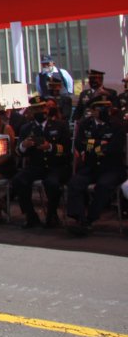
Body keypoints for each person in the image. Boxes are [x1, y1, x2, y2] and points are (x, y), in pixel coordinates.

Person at [66, 98, 126, 235]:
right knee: (75, 183)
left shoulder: (117, 125)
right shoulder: (85, 124)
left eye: (107, 107)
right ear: (93, 111)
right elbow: (80, 144)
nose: (104, 110)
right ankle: (79, 218)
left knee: (103, 185)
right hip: (90, 166)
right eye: (100, 108)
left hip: (112, 167)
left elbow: (115, 148)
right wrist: (99, 144)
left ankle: (90, 219)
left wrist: (93, 146)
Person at [10, 97, 71, 229]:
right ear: (31, 111)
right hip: (36, 166)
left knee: (52, 183)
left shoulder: (59, 126)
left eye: (42, 108)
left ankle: (52, 214)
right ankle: (30, 215)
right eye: (36, 108)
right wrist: (24, 146)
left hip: (56, 166)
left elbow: (67, 149)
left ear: (47, 109)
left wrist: (50, 147)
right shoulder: (26, 128)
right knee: (19, 180)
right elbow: (19, 152)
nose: (41, 111)